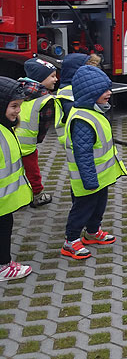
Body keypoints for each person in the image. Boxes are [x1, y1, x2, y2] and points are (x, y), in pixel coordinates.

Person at [61, 65, 127, 260]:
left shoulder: (93, 111)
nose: (109, 93)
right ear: (90, 94)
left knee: (98, 206)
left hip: (100, 177)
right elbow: (83, 154)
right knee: (82, 209)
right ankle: (70, 241)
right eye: (103, 91)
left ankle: (92, 232)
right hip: (87, 179)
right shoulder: (82, 120)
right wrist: (90, 180)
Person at [0, 76, 34, 281]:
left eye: (19, 106)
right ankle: (4, 266)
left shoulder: (5, 127)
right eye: (14, 106)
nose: (18, 111)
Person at [16, 58, 58, 208]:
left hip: (9, 142)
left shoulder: (15, 89)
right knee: (32, 172)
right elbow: (43, 126)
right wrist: (37, 140)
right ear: (40, 79)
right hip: (27, 145)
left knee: (12, 170)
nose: (56, 79)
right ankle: (37, 195)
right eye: (52, 76)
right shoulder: (46, 99)